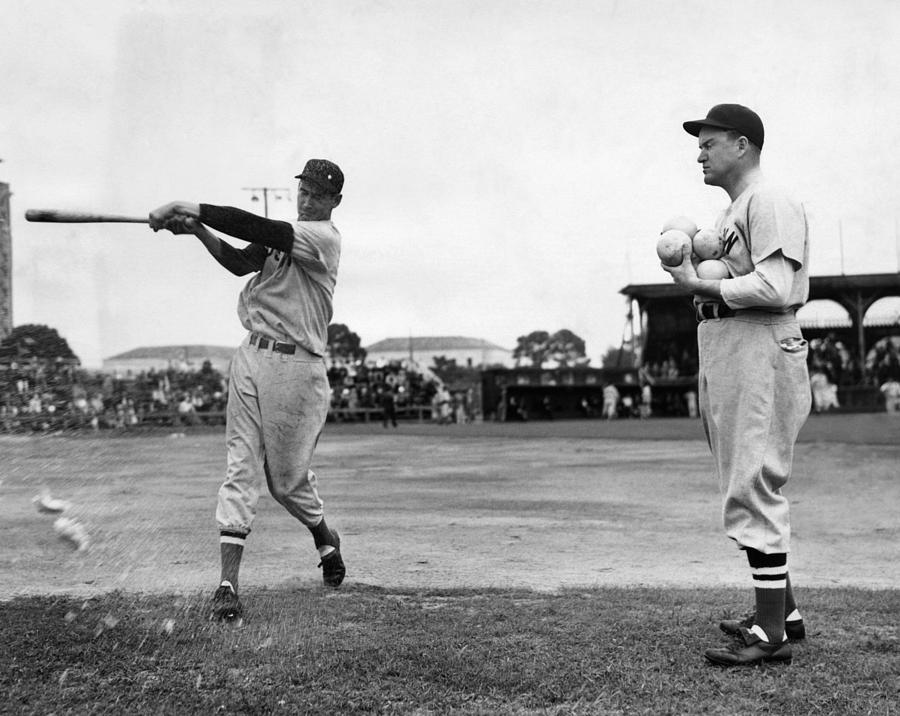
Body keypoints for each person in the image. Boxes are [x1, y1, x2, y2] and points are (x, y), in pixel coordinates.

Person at [149, 158, 347, 622]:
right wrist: (198, 230)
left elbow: (256, 226)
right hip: (252, 354)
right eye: (304, 190)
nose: (307, 200)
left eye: (318, 194)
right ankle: (227, 586)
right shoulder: (286, 235)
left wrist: (189, 206)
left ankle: (324, 537)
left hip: (297, 366)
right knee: (239, 466)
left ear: (335, 201)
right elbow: (240, 262)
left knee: (286, 483)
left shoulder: (322, 238)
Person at [662, 105, 812, 667]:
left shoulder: (769, 201)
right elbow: (736, 277)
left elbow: (776, 286)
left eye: (709, 143)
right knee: (741, 478)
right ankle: (784, 615)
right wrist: (696, 278)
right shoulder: (733, 211)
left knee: (754, 479)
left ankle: (770, 636)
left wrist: (700, 283)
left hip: (761, 343)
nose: (699, 153)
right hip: (731, 343)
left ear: (742, 145)